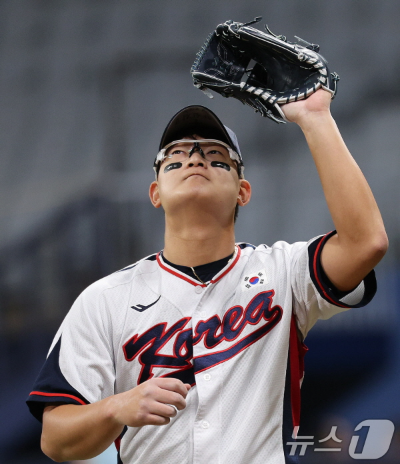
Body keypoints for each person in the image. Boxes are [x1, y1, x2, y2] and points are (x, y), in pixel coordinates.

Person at [27, 89, 388, 464]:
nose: (195, 159)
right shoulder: (105, 299)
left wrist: (315, 118)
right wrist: (116, 408)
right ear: (155, 193)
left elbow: (366, 244)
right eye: (175, 158)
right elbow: (56, 439)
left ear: (242, 191)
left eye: (216, 157)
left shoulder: (285, 272)